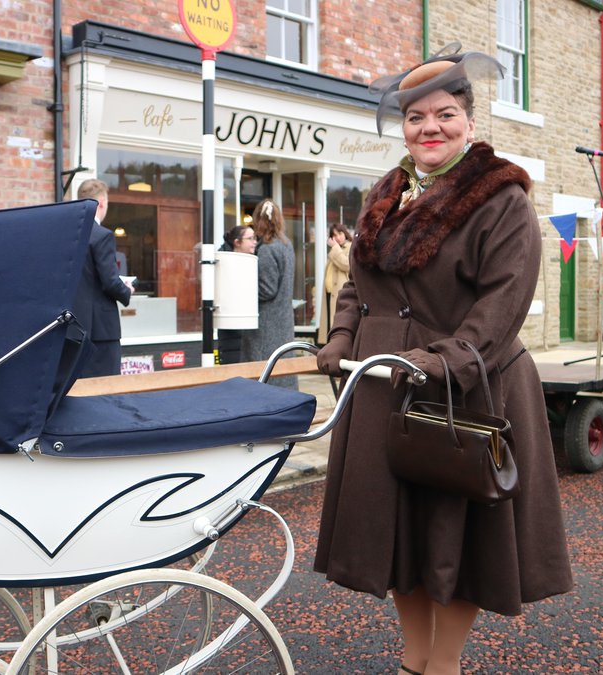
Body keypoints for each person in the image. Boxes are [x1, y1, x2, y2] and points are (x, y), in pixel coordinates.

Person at [314, 45, 572, 675]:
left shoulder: (500, 197)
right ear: (402, 127)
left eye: (445, 114)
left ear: (470, 123)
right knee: (399, 532)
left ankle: (445, 665)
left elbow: (503, 299)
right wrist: (343, 336)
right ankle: (414, 661)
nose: (430, 128)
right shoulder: (388, 189)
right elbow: (357, 282)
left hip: (469, 384)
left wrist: (442, 360)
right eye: (416, 118)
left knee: (457, 536)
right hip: (384, 385)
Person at [72, 178, 133, 378]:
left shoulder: (69, 234)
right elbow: (110, 282)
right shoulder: (102, 236)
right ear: (102, 203)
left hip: (72, 328)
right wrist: (126, 290)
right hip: (101, 332)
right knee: (106, 390)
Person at [241, 199, 296, 388]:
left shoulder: (267, 250)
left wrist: (244, 291)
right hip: (283, 321)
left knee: (266, 375)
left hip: (266, 325)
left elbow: (266, 290)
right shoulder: (287, 245)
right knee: (284, 374)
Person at [216, 225, 258, 364]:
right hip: (231, 326)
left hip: (248, 327)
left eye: (255, 238)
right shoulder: (224, 262)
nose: (255, 242)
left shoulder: (252, 261)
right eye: (250, 238)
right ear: (237, 242)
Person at [317, 222, 351, 344]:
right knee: (330, 324)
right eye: (334, 235)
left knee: (338, 323)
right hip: (330, 294)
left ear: (345, 234)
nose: (338, 238)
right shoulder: (334, 252)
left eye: (340, 234)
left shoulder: (350, 247)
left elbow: (347, 265)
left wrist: (335, 248)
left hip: (341, 295)